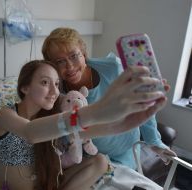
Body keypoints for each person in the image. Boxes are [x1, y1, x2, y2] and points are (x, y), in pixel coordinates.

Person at [0, 59, 167, 190]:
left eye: (57, 84)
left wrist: (121, 125)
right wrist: (99, 109)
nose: (54, 91)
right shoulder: (5, 116)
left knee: (100, 161)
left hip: (48, 184)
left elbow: (78, 131)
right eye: (45, 82)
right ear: (25, 88)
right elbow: (30, 132)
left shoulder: (49, 116)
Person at [42, 27, 176, 170]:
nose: (69, 66)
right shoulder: (56, 92)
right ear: (53, 66)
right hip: (90, 158)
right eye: (60, 61)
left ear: (84, 53)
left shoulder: (113, 68)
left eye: (74, 56)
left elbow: (142, 102)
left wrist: (154, 141)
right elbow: (63, 132)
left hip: (125, 152)